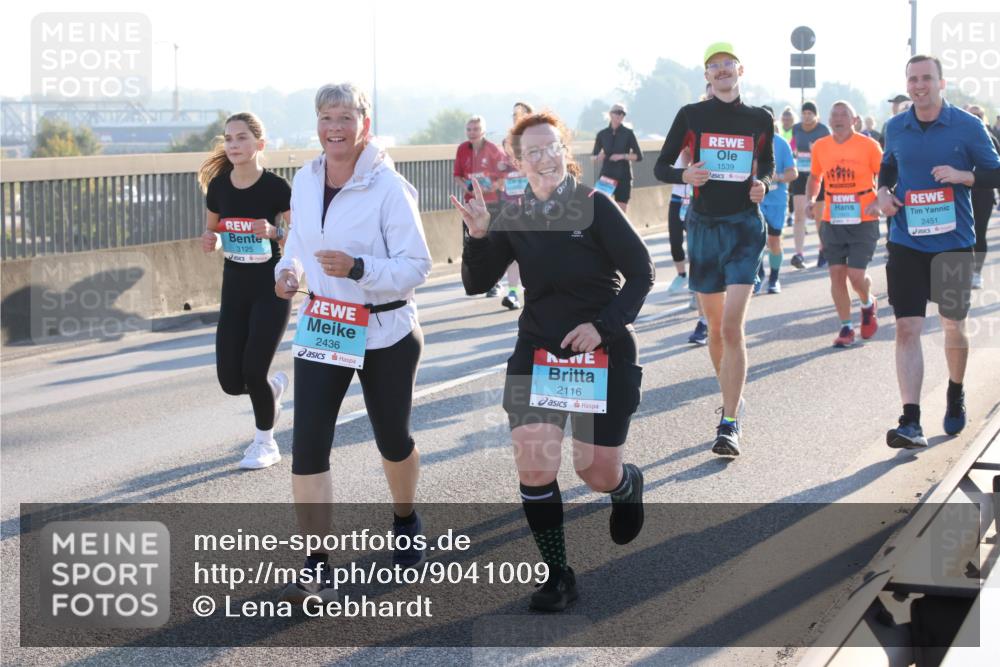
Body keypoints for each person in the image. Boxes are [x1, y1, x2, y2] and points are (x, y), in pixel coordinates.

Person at [455, 111, 653, 611]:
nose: (543, 159)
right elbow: (478, 283)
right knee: (536, 465)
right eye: (532, 152)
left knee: (595, 473)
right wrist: (478, 236)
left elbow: (642, 272)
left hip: (601, 352)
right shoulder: (512, 213)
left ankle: (626, 484)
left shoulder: (596, 206)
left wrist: (603, 327)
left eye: (551, 148)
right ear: (518, 162)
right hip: (538, 351)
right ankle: (557, 574)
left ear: (566, 152)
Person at [275, 83, 432, 602]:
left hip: (384, 330)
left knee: (392, 438)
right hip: (325, 325)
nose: (334, 127)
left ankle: (405, 518)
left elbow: (417, 266)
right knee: (308, 445)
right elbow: (299, 243)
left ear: (363, 122)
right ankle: (317, 559)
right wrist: (287, 270)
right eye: (325, 117)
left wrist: (360, 268)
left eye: (344, 116)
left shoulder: (389, 187)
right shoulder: (305, 177)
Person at [654, 42, 774, 457]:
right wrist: (683, 173)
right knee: (715, 326)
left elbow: (769, 164)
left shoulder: (760, 119)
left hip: (743, 227)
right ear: (706, 76)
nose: (722, 71)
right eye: (714, 67)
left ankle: (728, 421)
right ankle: (732, 396)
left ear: (741, 70)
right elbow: (659, 167)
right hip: (704, 228)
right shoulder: (691, 115)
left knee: (731, 326)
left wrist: (765, 185)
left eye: (728, 65)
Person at [876, 56, 1000, 448]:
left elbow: (996, 171)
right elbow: (888, 167)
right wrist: (882, 193)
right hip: (906, 239)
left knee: (951, 324)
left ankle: (955, 389)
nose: (919, 85)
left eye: (926, 78)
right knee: (907, 327)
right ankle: (910, 420)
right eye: (912, 79)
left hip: (952, 245)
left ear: (941, 82)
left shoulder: (967, 125)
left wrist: (965, 176)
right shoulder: (895, 126)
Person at [198, 112, 291, 470]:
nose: (233, 145)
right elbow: (215, 232)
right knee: (231, 381)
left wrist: (273, 232)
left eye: (241, 138)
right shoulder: (219, 187)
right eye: (228, 139)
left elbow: (297, 236)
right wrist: (212, 240)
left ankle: (265, 443)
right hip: (234, 287)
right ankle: (272, 391)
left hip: (271, 287)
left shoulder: (277, 188)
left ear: (259, 145)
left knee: (254, 369)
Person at [807, 101, 883, 347]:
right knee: (837, 275)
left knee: (856, 275)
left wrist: (880, 200)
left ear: (855, 120)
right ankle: (846, 327)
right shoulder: (820, 146)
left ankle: (867, 302)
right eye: (834, 114)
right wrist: (810, 199)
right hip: (833, 219)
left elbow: (885, 176)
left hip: (864, 218)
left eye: (844, 114)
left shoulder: (869, 146)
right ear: (829, 120)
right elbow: (815, 176)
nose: (838, 118)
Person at [454, 115, 508, 300]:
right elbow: (458, 176)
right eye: (469, 129)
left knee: (491, 243)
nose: (472, 133)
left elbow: (503, 178)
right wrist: (468, 188)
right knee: (470, 242)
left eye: (476, 129)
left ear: (483, 131)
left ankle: (495, 283)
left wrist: (489, 188)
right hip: (471, 205)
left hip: (491, 204)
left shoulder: (494, 150)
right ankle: (473, 280)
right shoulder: (462, 149)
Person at [759, 105, 798, 294]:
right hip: (755, 200)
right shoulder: (749, 143)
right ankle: (758, 275)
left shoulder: (781, 144)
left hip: (776, 201)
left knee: (773, 241)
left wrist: (778, 177)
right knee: (755, 240)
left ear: (773, 121)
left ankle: (774, 278)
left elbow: (793, 173)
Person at [790, 101, 831, 269]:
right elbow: (794, 147)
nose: (807, 116)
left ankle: (823, 250)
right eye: (804, 113)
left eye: (810, 113)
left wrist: (817, 152)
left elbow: (830, 150)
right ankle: (799, 254)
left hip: (818, 175)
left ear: (816, 115)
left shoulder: (823, 130)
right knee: (799, 215)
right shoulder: (796, 128)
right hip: (800, 174)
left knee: (819, 217)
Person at [965, 104, 1000, 289]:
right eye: (971, 115)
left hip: (983, 196)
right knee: (961, 235)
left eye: (979, 115)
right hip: (961, 195)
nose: (976, 118)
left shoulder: (991, 139)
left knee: (979, 234)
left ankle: (977, 272)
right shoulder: (958, 137)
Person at [591, 103, 643, 213]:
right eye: (617, 112)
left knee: (621, 213)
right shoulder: (602, 134)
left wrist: (622, 156)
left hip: (623, 177)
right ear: (610, 114)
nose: (620, 115)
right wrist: (598, 157)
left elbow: (639, 156)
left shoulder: (628, 133)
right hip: (606, 176)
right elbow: (593, 157)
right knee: (600, 208)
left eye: (623, 113)